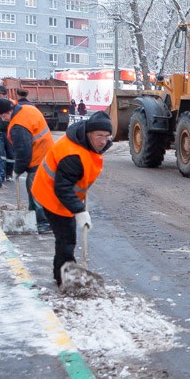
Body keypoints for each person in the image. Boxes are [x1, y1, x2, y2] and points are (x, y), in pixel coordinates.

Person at [31, 111, 114, 285]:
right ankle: (63, 278)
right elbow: (62, 189)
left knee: (66, 237)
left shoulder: (86, 141)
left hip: (62, 192)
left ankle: (62, 273)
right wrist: (79, 210)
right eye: (99, 136)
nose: (103, 141)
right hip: (51, 195)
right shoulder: (73, 156)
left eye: (107, 136)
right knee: (66, 239)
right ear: (88, 133)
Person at [0, 98, 55, 234]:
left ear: (10, 111)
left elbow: (23, 152)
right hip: (48, 154)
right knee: (41, 190)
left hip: (39, 159)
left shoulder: (18, 126)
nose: (3, 119)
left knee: (35, 190)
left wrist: (17, 170)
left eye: (3, 116)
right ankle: (36, 218)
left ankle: (43, 223)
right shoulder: (28, 109)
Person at [0, 85, 15, 182]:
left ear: (5, 95)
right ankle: (1, 174)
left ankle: (9, 173)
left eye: (0, 95)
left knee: (10, 154)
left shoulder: (11, 104)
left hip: (8, 131)